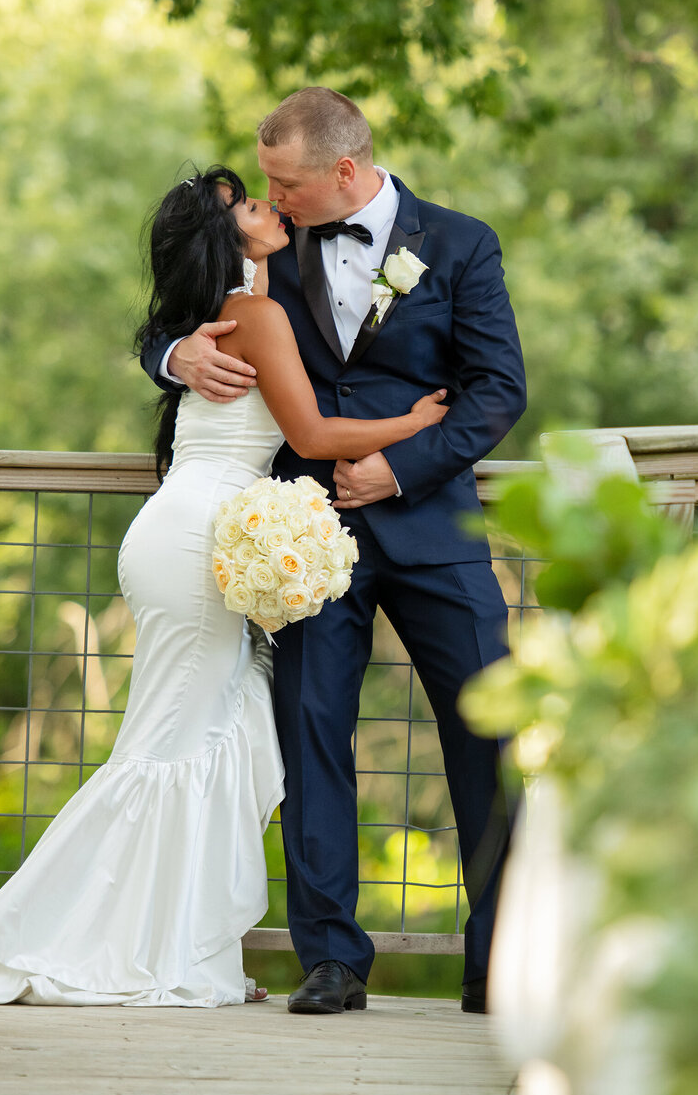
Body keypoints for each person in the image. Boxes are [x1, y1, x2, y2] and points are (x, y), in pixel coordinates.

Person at [0, 167, 448, 1008]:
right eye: (246, 206)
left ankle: (183, 948)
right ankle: (78, 944)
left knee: (198, 739)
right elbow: (312, 430)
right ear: (225, 240)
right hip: (196, 543)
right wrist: (411, 426)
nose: (267, 204)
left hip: (187, 533)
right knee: (163, 749)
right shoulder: (250, 316)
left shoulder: (237, 311)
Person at [143, 87, 526, 1014]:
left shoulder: (461, 244)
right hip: (303, 539)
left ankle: (502, 964)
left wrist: (396, 469)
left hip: (434, 530)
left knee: (490, 733)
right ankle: (331, 961)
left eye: (286, 182)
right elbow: (174, 309)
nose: (272, 201)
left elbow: (496, 390)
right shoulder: (267, 250)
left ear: (344, 170)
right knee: (311, 733)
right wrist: (173, 355)